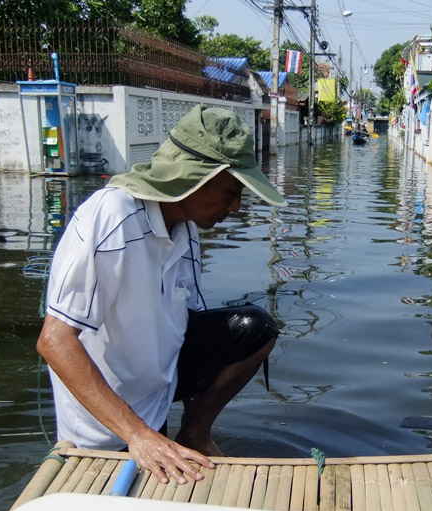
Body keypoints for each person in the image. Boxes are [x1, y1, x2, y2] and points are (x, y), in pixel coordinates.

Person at [37, 105, 285, 486]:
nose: (235, 208)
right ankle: (143, 436)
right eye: (232, 192)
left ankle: (194, 433)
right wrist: (138, 436)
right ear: (196, 178)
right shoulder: (112, 216)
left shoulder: (186, 231)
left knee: (256, 329)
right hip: (104, 429)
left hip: (155, 398)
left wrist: (187, 418)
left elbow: (190, 323)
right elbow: (54, 341)